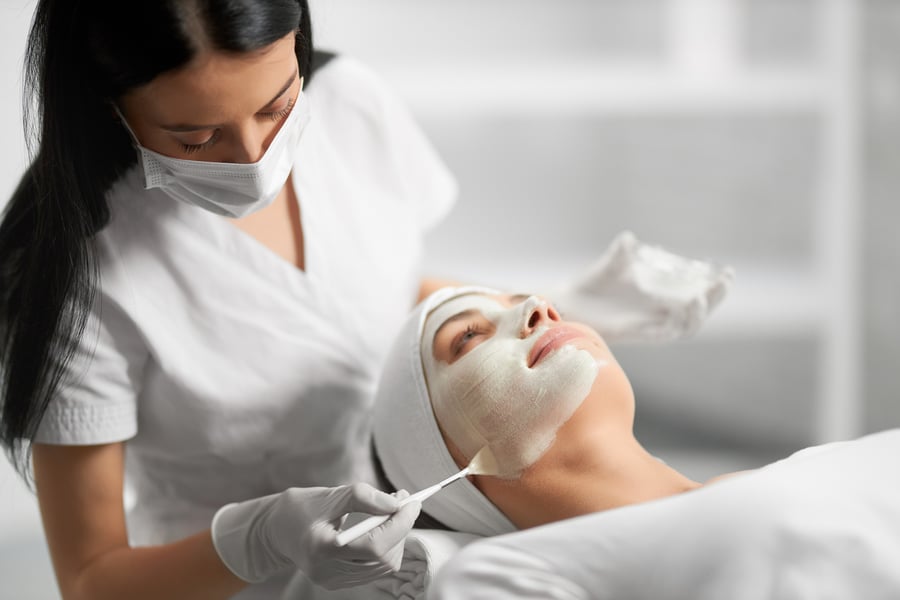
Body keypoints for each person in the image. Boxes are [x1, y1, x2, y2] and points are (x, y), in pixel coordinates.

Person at [0, 1, 467, 598]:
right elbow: (91, 579)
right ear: (107, 104)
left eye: (277, 107)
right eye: (195, 138)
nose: (254, 157)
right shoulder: (78, 276)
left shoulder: (349, 101)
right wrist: (260, 539)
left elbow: (374, 298)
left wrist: (539, 311)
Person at [372, 287, 900, 599]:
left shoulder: (813, 465)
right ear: (442, 463)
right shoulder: (499, 578)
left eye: (521, 296)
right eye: (468, 337)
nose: (539, 306)